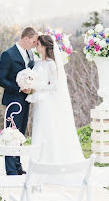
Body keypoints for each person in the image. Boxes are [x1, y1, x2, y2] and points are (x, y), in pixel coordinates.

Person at [26, 34, 84, 163]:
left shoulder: (51, 64)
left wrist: (36, 87)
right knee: (39, 129)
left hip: (46, 101)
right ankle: (38, 160)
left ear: (45, 47)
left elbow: (55, 85)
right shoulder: (37, 62)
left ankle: (50, 160)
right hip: (39, 101)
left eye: (38, 45)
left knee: (46, 129)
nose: (36, 47)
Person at [0, 27, 38, 175]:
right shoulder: (8, 54)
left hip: (25, 100)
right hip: (13, 100)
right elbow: (0, 79)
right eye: (33, 41)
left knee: (20, 133)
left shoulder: (30, 54)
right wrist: (19, 88)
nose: (34, 44)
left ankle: (18, 166)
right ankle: (11, 169)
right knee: (10, 133)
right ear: (25, 38)